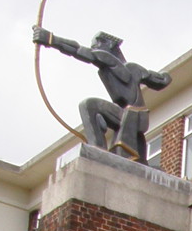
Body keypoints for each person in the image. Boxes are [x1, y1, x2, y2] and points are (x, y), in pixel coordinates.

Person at [31, 27, 171, 161]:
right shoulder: (133, 68)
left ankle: (98, 148)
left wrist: (51, 39)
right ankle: (99, 146)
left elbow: (79, 50)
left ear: (110, 45)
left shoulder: (112, 60)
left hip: (134, 116)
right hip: (134, 116)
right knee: (90, 106)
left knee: (89, 105)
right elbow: (161, 80)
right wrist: (165, 77)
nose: (94, 47)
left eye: (98, 43)